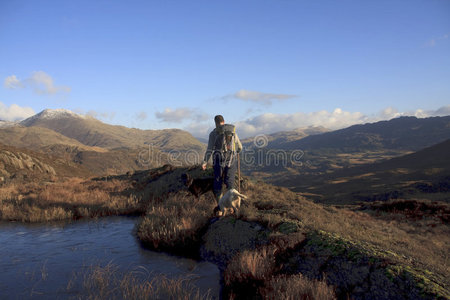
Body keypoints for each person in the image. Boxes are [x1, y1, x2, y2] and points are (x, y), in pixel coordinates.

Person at [202, 115, 242, 202]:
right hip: (232, 160)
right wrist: (235, 153)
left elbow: (209, 149)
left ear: (215, 123)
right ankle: (232, 206)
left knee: (218, 181)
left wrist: (204, 162)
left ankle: (220, 206)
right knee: (230, 183)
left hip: (218, 160)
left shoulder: (213, 133)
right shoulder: (232, 131)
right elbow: (240, 147)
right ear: (224, 121)